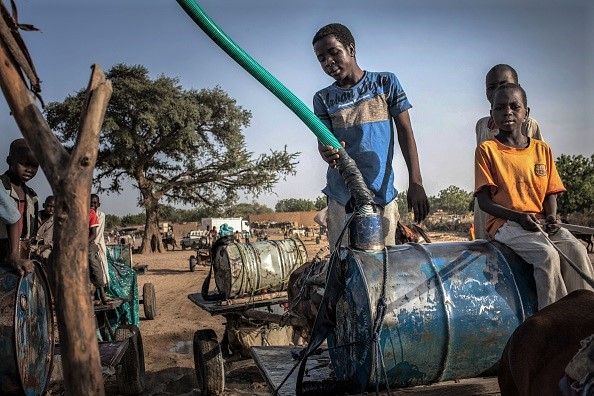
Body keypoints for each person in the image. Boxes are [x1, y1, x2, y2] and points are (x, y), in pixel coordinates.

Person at [474, 82, 593, 310]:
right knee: (546, 255)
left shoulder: (542, 149)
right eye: (500, 108)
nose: (507, 112)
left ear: (526, 113)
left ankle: (586, 317)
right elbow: (485, 202)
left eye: (514, 106)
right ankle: (554, 321)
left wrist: (551, 217)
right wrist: (518, 217)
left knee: (576, 250)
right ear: (492, 114)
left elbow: (550, 193)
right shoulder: (487, 150)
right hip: (506, 224)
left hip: (539, 223)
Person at [312, 23, 429, 248]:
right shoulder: (323, 98)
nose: (328, 62)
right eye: (321, 58)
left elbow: (405, 131)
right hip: (342, 195)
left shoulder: (385, 83)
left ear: (351, 49)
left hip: (380, 192)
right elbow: (322, 143)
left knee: (383, 266)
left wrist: (416, 181)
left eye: (333, 52)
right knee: (344, 264)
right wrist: (328, 153)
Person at [473, 64, 544, 239]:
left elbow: (541, 168)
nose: (498, 89)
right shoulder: (482, 125)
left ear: (517, 87)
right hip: (488, 204)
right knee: (487, 251)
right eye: (491, 87)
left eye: (504, 83)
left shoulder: (528, 124)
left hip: (519, 206)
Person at [0, 139, 38, 276]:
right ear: (9, 161)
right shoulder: (2, 188)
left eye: (35, 166)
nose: (30, 170)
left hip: (21, 260)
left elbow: (29, 230)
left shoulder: (32, 196)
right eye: (24, 164)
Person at [89, 204, 109, 304]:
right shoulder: (71, 213)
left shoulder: (90, 213)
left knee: (93, 263)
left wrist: (82, 243)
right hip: (74, 244)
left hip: (88, 243)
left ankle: (101, 293)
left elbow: (93, 235)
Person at [91, 194, 109, 287]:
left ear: (98, 205)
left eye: (94, 203)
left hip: (96, 243)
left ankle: (101, 286)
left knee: (97, 263)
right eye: (90, 203)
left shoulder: (100, 215)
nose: (92, 205)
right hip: (86, 242)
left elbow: (96, 234)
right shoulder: (84, 214)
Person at [32, 195, 55, 261]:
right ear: (43, 205)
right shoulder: (34, 216)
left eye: (54, 207)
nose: (52, 209)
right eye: (49, 206)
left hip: (46, 248)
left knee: (45, 256)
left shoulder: (57, 222)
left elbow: (58, 240)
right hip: (31, 245)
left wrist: (47, 246)